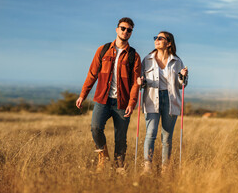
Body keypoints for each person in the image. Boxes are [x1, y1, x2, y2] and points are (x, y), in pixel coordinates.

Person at [76, 17, 141, 173]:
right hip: (102, 99)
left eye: (129, 30)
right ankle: (103, 157)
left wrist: (132, 103)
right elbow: (92, 74)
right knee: (95, 128)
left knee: (120, 138)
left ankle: (119, 169)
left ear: (131, 33)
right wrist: (83, 95)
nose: (126, 32)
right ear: (117, 29)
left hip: (122, 103)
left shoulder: (134, 56)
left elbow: (135, 83)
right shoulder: (103, 50)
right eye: (123, 28)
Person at [137, 31, 188, 174]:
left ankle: (166, 168)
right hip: (152, 98)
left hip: (171, 100)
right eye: (156, 38)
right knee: (150, 133)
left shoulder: (177, 61)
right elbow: (141, 81)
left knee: (166, 137)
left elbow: (180, 85)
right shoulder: (147, 59)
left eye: (160, 38)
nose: (156, 40)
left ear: (169, 43)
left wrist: (183, 77)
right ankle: (147, 167)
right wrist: (140, 82)